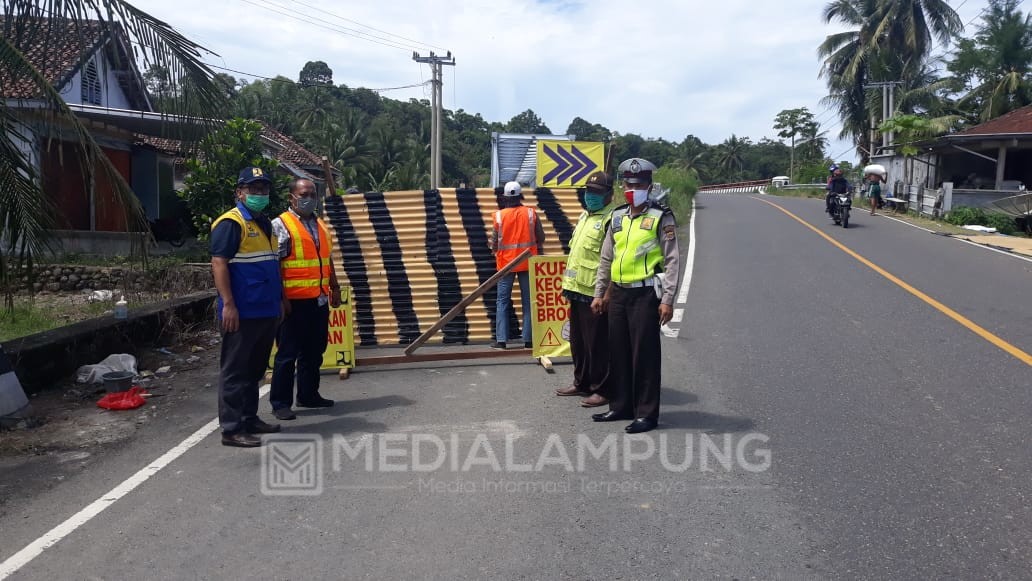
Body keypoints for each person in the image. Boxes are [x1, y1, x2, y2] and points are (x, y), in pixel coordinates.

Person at [590, 158, 679, 434]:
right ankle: (620, 406)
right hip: (618, 294)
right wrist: (599, 293)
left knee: (645, 355)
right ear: (622, 185)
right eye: (629, 184)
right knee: (618, 352)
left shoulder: (660, 216)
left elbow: (672, 259)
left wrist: (668, 299)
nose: (633, 188)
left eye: (639, 184)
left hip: (645, 294)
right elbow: (606, 258)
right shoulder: (617, 217)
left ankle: (646, 414)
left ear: (649, 187)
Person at [210, 166, 284, 447]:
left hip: (265, 309)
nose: (259, 193)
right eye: (253, 189)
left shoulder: (264, 222)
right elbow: (219, 264)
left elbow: (270, 265)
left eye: (263, 189)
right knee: (235, 371)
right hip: (241, 311)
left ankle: (250, 418)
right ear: (239, 192)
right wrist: (228, 304)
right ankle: (231, 428)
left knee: (255, 369)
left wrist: (279, 301)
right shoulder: (231, 223)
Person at [269, 178, 343, 421]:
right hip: (294, 301)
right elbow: (275, 264)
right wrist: (281, 298)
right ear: (292, 197)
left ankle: (309, 395)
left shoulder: (320, 224)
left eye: (312, 193)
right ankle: (280, 403)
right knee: (287, 353)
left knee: (314, 350)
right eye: (304, 194)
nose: (309, 198)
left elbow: (326, 258)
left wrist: (334, 286)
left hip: (319, 299)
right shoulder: (280, 225)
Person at [556, 171, 618, 408]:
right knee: (578, 341)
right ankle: (581, 382)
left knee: (598, 344)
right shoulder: (584, 216)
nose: (591, 196)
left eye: (597, 193)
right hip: (575, 289)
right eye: (589, 192)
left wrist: (605, 294)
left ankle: (602, 389)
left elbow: (612, 260)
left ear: (610, 196)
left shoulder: (611, 220)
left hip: (595, 292)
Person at [488, 181, 545, 349]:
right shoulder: (531, 214)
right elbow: (541, 238)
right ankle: (528, 340)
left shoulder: (499, 216)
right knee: (528, 301)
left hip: (505, 266)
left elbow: (494, 244)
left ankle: (501, 340)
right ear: (520, 196)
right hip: (527, 264)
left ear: (505, 198)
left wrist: (494, 248)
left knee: (502, 302)